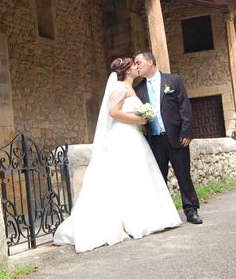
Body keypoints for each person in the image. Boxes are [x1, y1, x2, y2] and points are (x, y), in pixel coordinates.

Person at [53, 57, 182, 253]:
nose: (137, 67)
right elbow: (113, 112)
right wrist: (140, 119)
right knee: (125, 178)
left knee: (138, 178)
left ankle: (145, 218)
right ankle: (130, 221)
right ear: (127, 70)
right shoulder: (119, 87)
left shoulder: (132, 88)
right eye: (134, 65)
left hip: (134, 138)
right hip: (122, 137)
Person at [133, 51, 203, 225]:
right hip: (154, 140)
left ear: (151, 62)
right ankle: (163, 213)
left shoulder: (173, 81)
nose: (137, 66)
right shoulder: (138, 88)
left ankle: (191, 210)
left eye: (139, 62)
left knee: (183, 174)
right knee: (158, 177)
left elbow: (184, 107)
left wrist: (187, 132)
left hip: (176, 137)